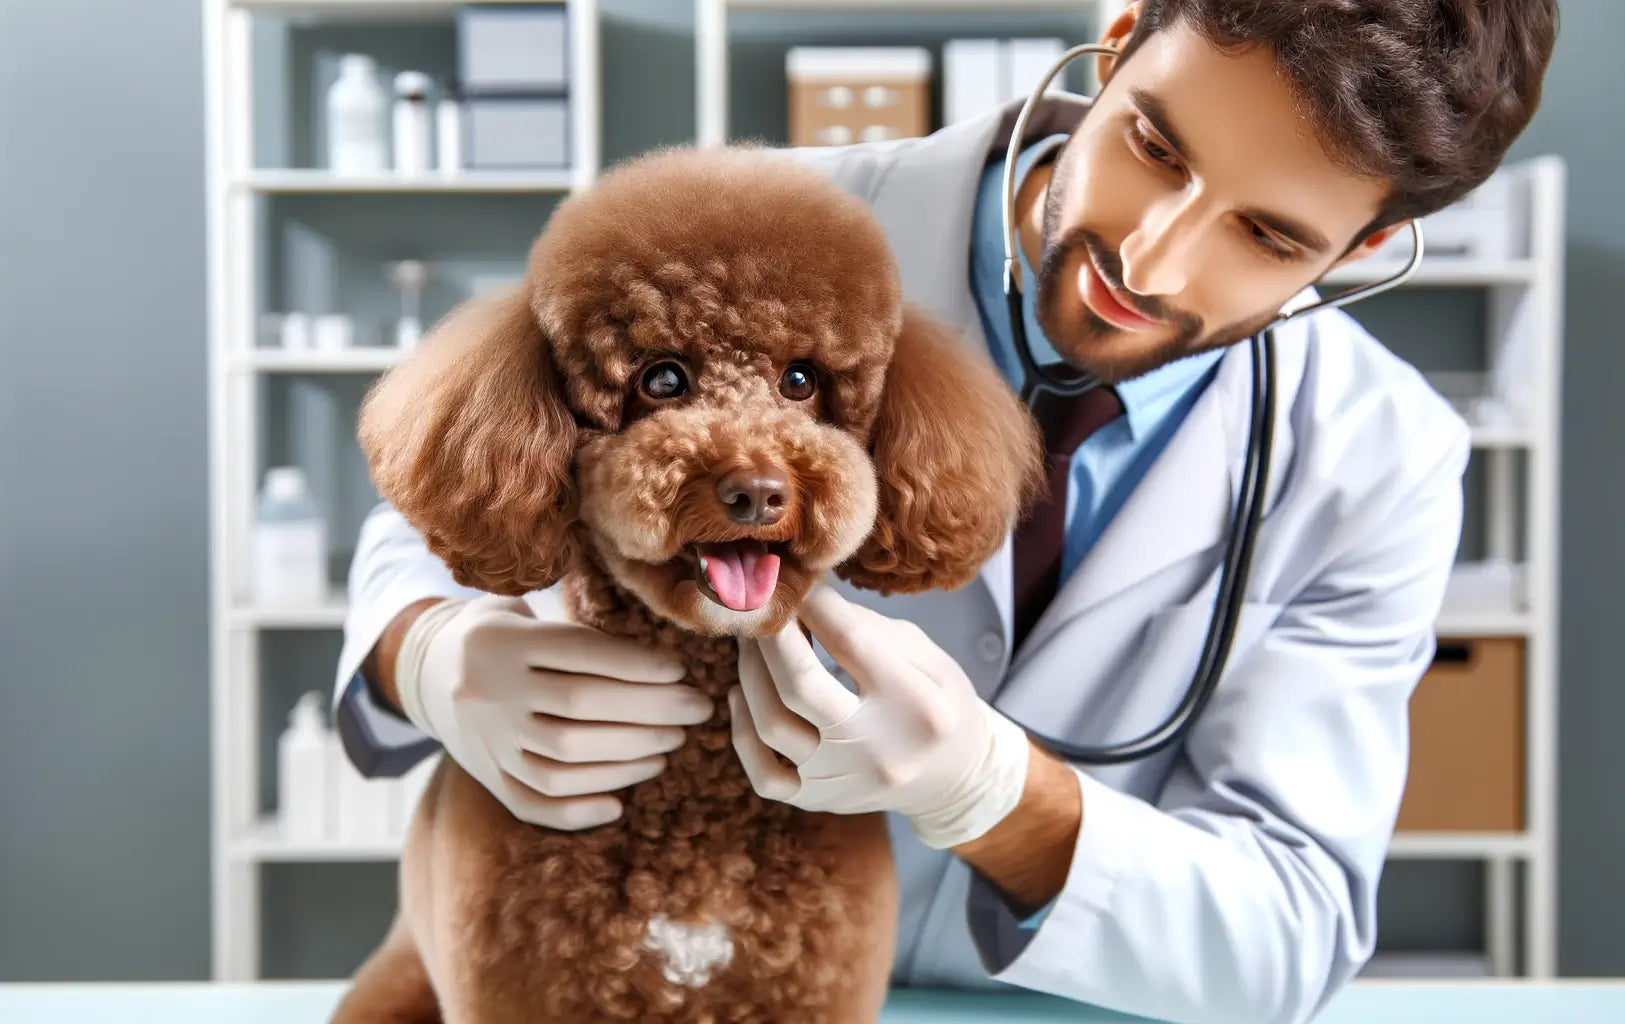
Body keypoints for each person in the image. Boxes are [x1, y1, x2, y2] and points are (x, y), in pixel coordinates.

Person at [332, 2, 1559, 1021]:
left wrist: (990, 794)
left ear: (1365, 245)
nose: (1154, 259)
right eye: (1154, 147)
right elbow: (445, 499)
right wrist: (428, 652)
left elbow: (1289, 931)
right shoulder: (758, 218)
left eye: (1268, 234)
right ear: (1121, 36)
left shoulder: (1377, 457)